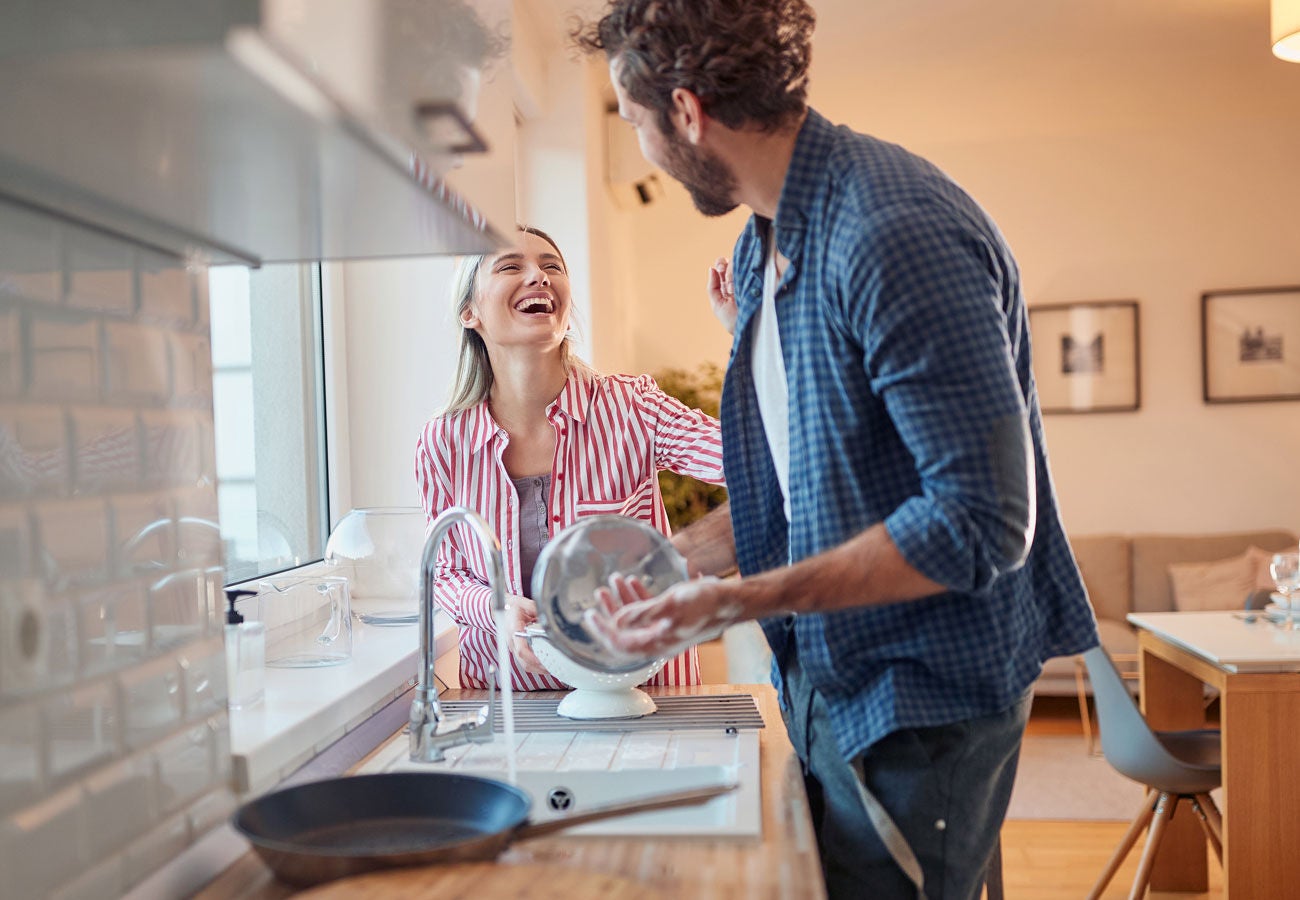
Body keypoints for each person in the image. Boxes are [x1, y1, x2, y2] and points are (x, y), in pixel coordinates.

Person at [574, 3, 1100, 898]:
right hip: (829, 669)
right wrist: (655, 576)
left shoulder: (893, 230)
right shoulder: (759, 249)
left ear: (688, 113)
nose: (644, 152)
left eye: (633, 124)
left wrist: (737, 599)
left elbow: (981, 523)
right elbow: (799, 489)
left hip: (926, 691)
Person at [414, 224, 726, 691]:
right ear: (470, 312)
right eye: (511, 266)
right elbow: (447, 571)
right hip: (513, 702)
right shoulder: (444, 442)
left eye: (551, 266)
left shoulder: (633, 407)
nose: (538, 277)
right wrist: (497, 610)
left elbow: (751, 460)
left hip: (647, 696)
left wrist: (748, 334)